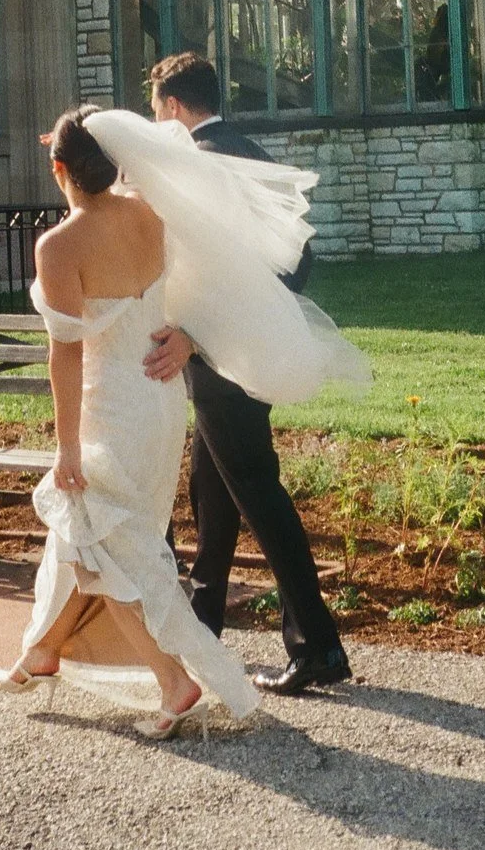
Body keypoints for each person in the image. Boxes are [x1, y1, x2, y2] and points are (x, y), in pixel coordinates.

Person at [0, 106, 366, 735]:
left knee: (101, 542)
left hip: (109, 408)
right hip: (161, 402)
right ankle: (42, 650)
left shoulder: (58, 246)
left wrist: (67, 448)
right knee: (101, 536)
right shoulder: (152, 213)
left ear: (59, 170)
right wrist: (189, 335)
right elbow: (211, 280)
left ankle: (178, 681)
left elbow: (66, 356)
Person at [144, 51, 354, 696]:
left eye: (156, 110)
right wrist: (264, 320)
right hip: (245, 352)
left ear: (173, 107)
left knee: (258, 492)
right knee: (212, 488)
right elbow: (298, 259)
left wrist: (199, 333)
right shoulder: (248, 152)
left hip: (219, 356)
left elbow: (218, 272)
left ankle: (317, 646)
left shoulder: (202, 165)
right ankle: (203, 626)